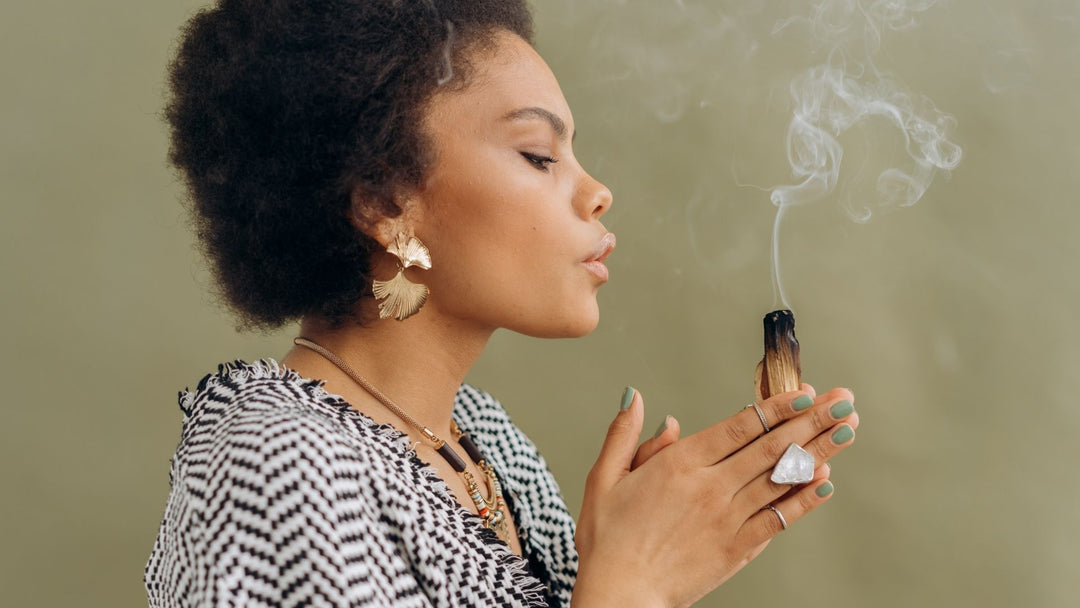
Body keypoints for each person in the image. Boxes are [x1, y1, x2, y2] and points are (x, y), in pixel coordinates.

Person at [144, 1, 859, 606]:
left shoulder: (486, 442)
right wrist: (632, 582)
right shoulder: (275, 458)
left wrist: (659, 559)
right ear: (385, 200)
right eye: (540, 156)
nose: (598, 193)